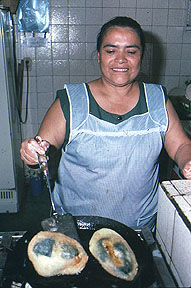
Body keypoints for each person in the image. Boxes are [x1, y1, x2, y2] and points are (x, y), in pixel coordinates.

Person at [20, 16, 191, 231]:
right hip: (80, 227)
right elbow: (43, 150)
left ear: (141, 57)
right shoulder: (72, 101)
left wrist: (188, 162)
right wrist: (33, 151)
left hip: (139, 229)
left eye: (131, 51)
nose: (121, 59)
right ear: (99, 56)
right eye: (111, 51)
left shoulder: (157, 99)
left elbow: (182, 146)